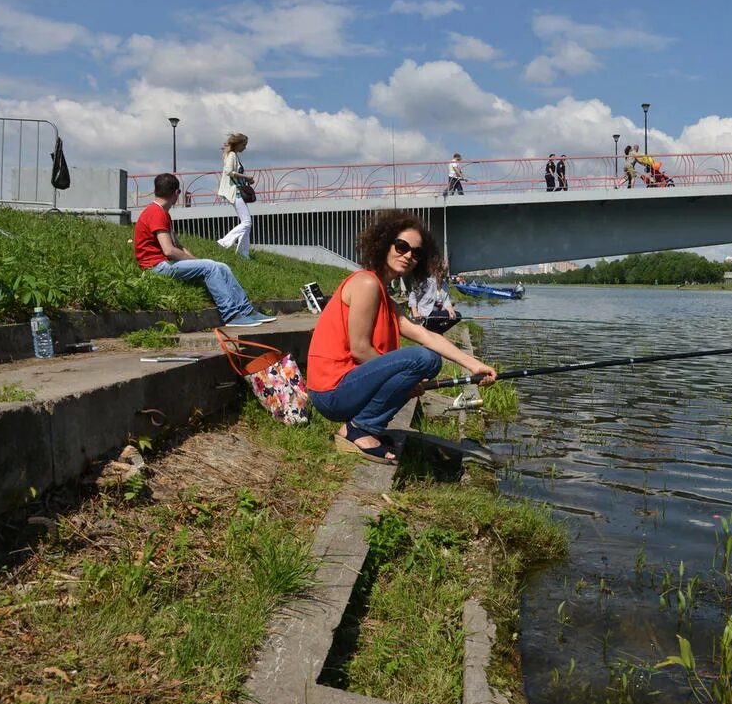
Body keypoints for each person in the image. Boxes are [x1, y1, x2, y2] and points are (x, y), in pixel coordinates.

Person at [307, 211, 496, 463]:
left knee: (425, 356)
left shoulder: (383, 294)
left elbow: (425, 335)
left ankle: (363, 428)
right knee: (426, 359)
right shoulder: (366, 284)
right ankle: (357, 431)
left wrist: (475, 366)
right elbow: (360, 350)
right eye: (402, 246)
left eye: (416, 252)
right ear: (383, 243)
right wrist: (400, 380)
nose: (408, 255)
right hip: (332, 392)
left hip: (343, 390)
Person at [134, 173, 274, 327]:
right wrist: (200, 263)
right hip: (155, 267)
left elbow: (178, 246)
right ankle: (231, 315)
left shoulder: (162, 213)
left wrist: (197, 261)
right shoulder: (156, 213)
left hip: (164, 263)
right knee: (210, 267)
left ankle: (247, 311)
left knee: (221, 266)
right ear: (176, 193)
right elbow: (169, 250)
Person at [216, 132, 255, 258]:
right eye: (244, 144)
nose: (245, 147)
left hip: (237, 191)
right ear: (238, 144)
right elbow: (228, 171)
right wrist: (246, 177)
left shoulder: (234, 155)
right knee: (247, 222)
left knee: (246, 223)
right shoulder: (232, 155)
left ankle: (243, 253)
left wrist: (247, 180)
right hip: (235, 192)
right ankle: (224, 242)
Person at [407, 253, 459, 334]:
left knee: (458, 315)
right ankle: (434, 333)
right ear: (435, 271)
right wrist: (415, 312)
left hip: (436, 315)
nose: (442, 275)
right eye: (440, 272)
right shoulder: (426, 283)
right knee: (436, 317)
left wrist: (450, 309)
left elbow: (446, 301)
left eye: (444, 273)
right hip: (425, 314)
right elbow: (413, 296)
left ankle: (436, 332)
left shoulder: (445, 285)